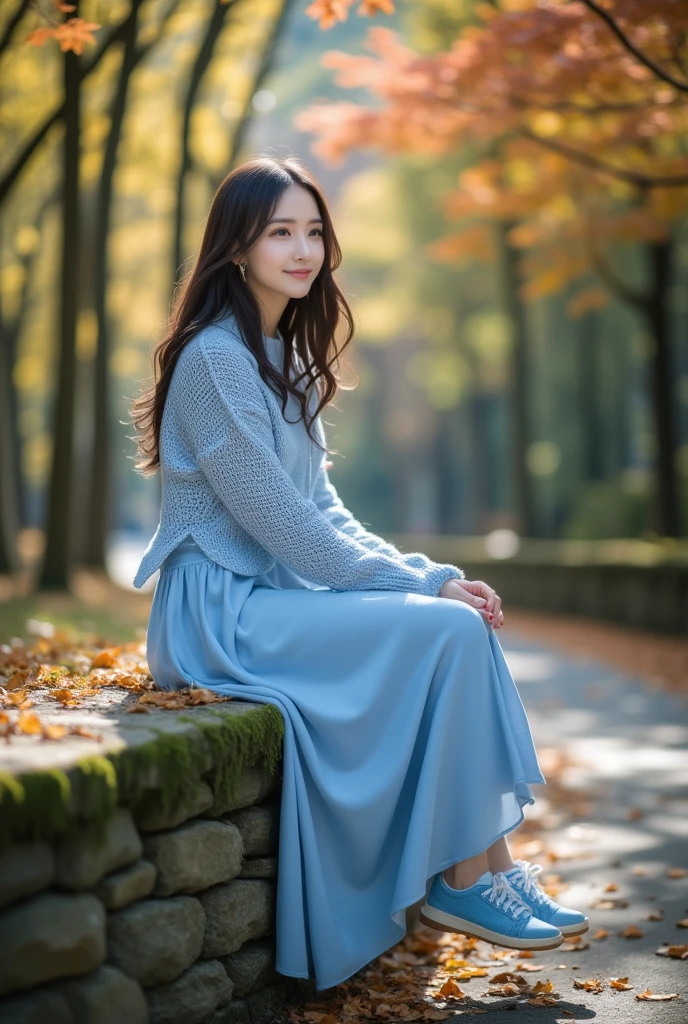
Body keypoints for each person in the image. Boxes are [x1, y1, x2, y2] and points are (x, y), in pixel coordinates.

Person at [129, 155, 588, 992]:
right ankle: (466, 880)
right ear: (236, 246)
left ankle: (485, 871)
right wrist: (418, 590)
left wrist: (427, 572)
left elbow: (327, 512)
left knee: (459, 624)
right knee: (445, 625)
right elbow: (281, 523)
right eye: (280, 232)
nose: (303, 249)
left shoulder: (280, 357)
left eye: (313, 231)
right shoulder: (213, 361)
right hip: (220, 615)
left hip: (274, 599)